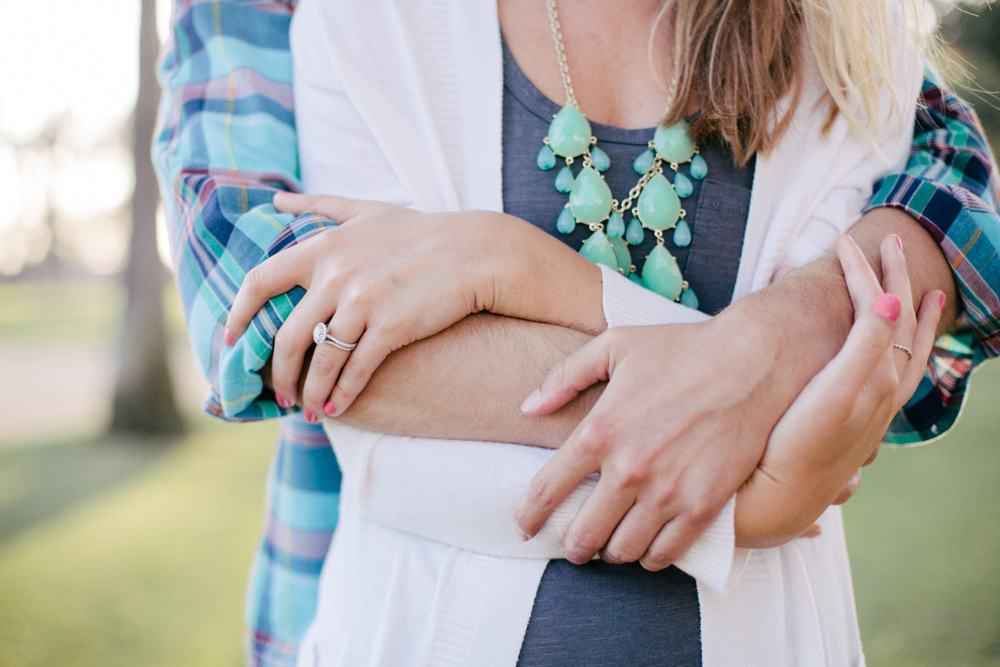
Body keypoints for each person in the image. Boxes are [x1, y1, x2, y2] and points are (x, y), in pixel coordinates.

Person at [152, 0, 1000, 665]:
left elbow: (951, 210)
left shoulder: (847, 41)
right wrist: (755, 474)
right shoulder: (362, 23)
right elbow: (305, 344)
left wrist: (522, 269)